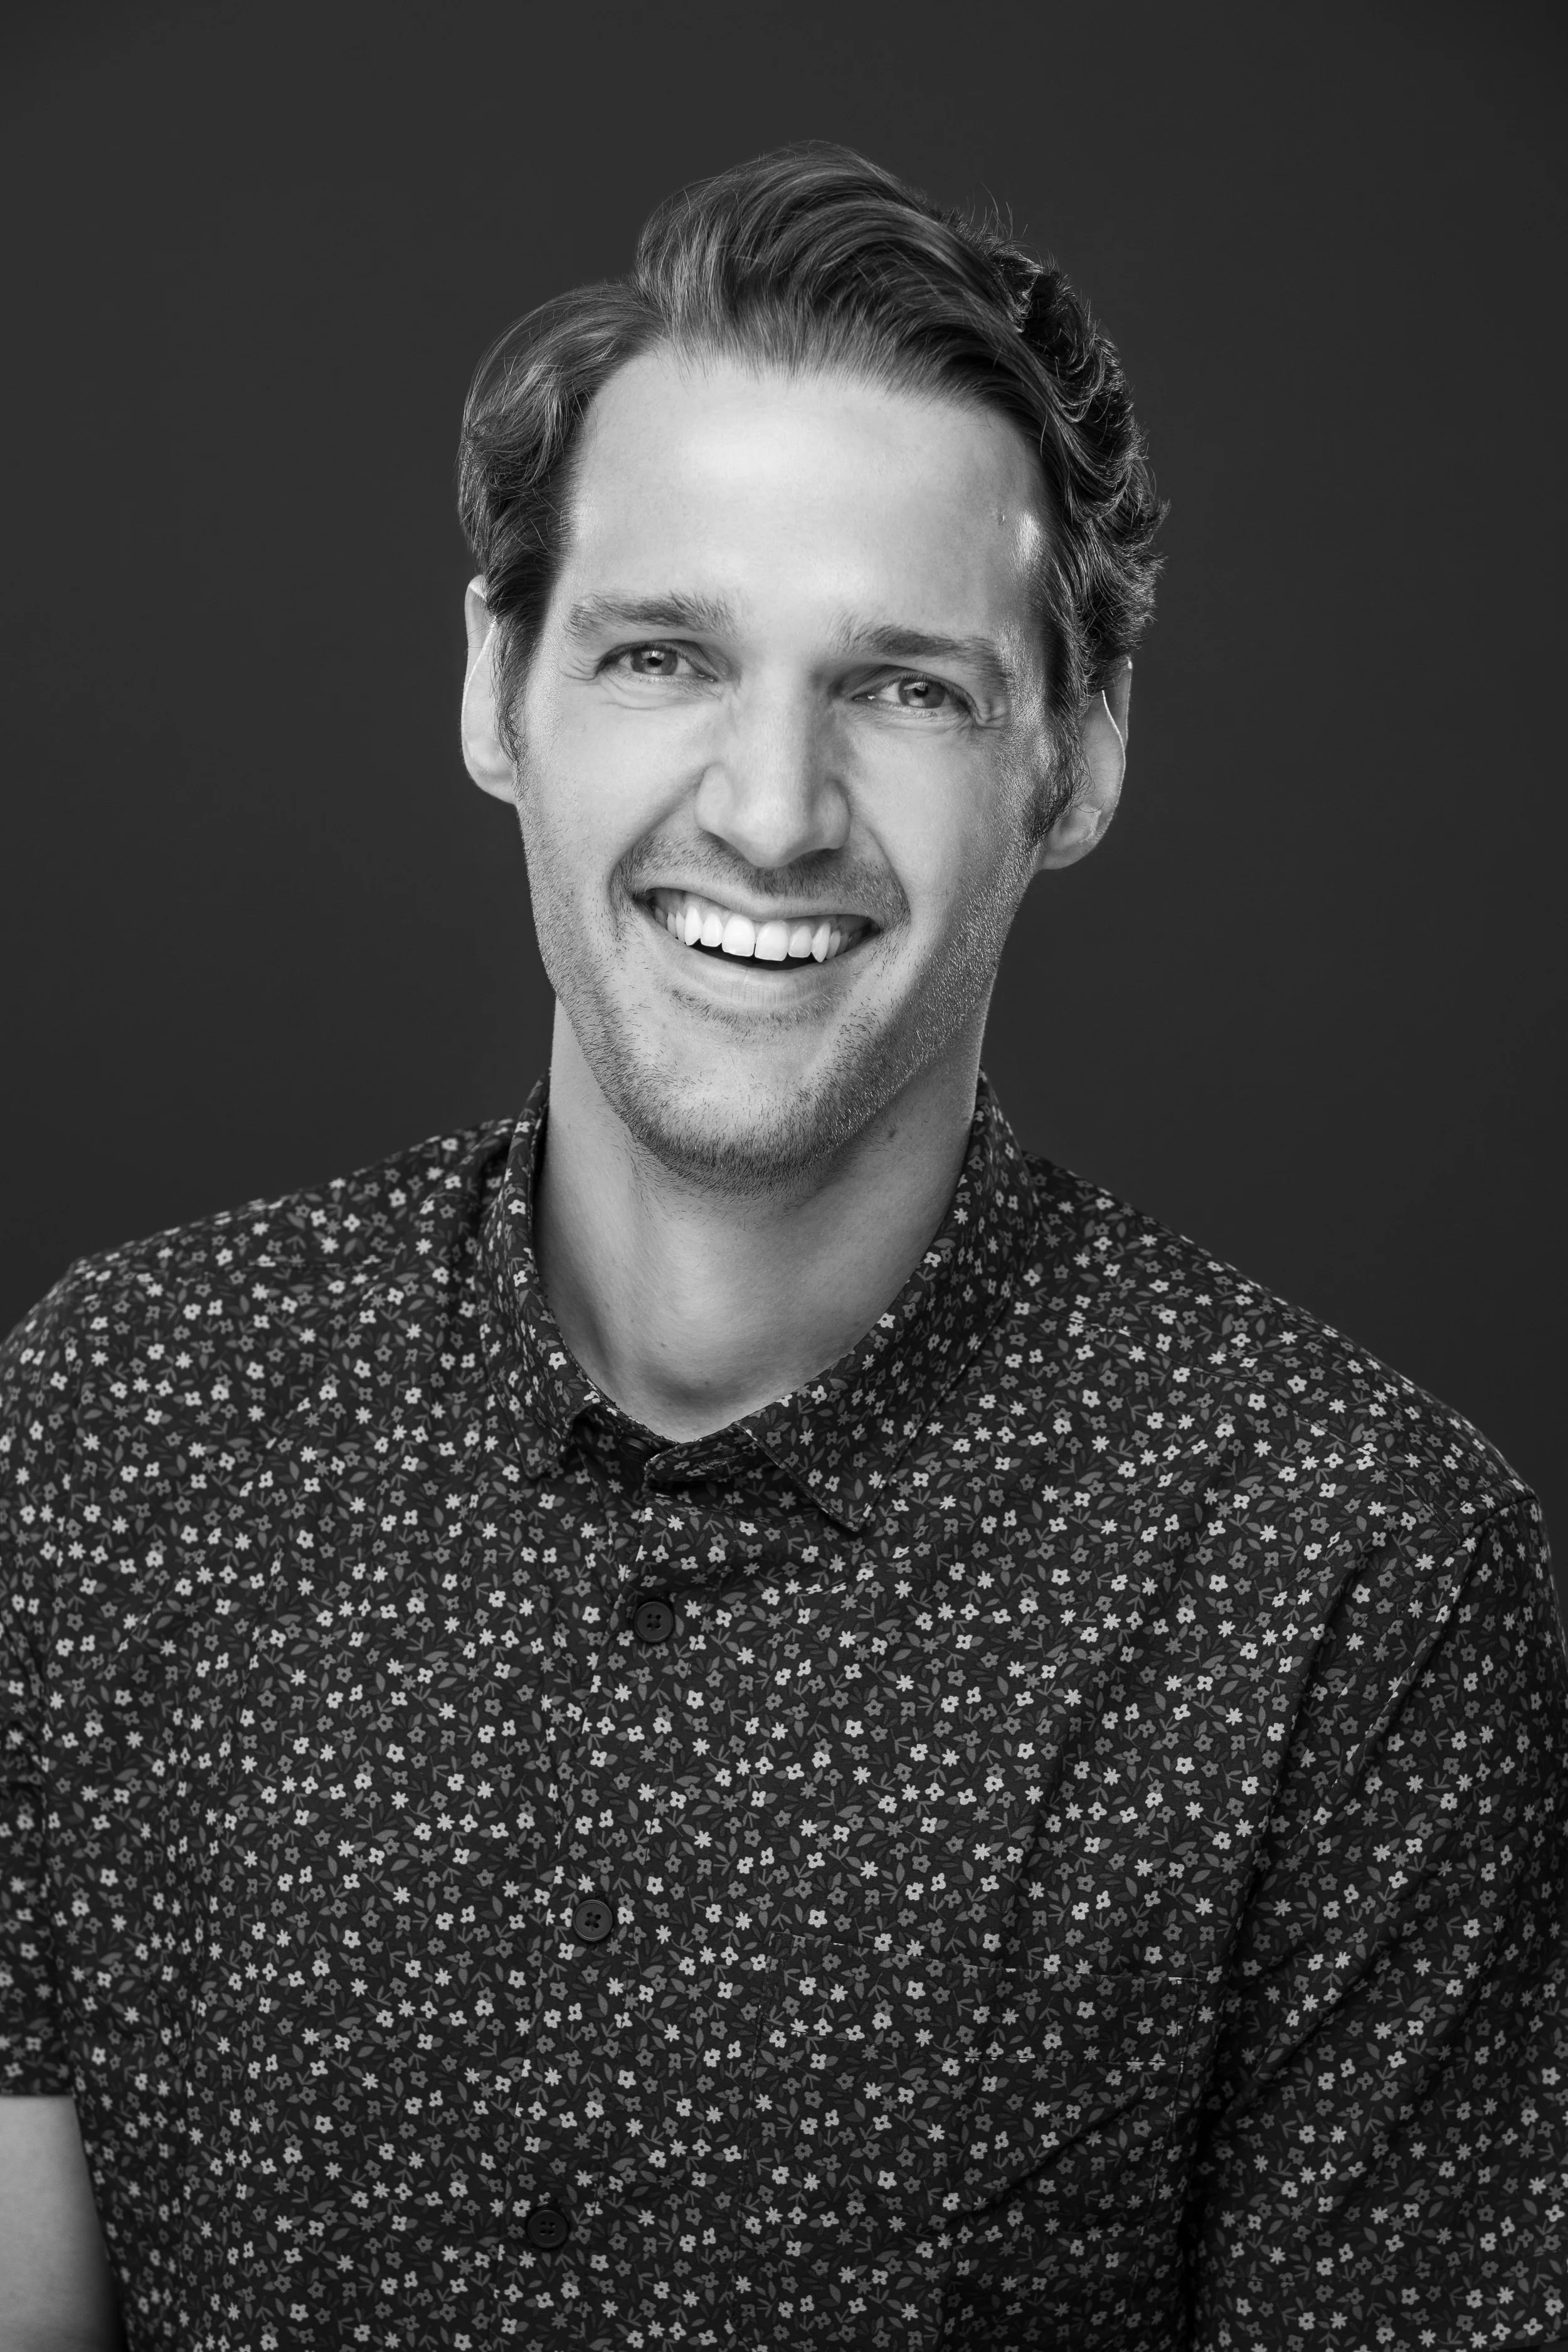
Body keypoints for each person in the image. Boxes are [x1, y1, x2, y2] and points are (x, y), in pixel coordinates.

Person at [1, 142, 1564, 2352]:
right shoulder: (128, 1416)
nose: (766, 804)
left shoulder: (1345, 1576)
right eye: (660, 651)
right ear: (495, 684)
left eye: (904, 687)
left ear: (1079, 752)